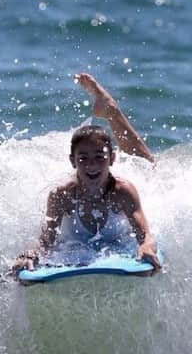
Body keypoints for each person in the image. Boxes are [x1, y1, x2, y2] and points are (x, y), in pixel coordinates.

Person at [14, 74, 160, 276]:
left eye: (100, 157)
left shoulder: (123, 191)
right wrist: (29, 255)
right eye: (83, 159)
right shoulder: (62, 195)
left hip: (118, 180)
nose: (92, 165)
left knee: (147, 166)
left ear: (111, 160)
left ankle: (111, 109)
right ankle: (108, 109)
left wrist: (146, 246)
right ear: (72, 161)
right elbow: (45, 240)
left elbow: (146, 236)